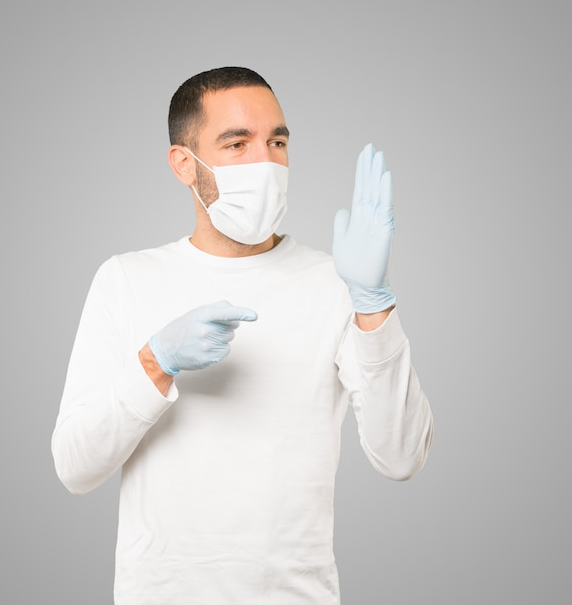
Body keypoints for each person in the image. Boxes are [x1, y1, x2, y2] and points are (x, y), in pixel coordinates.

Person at [52, 66, 434, 604]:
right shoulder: (126, 279)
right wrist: (155, 361)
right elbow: (74, 467)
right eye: (237, 143)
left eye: (277, 141)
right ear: (184, 164)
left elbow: (401, 457)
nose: (266, 162)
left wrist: (373, 306)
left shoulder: (336, 283)